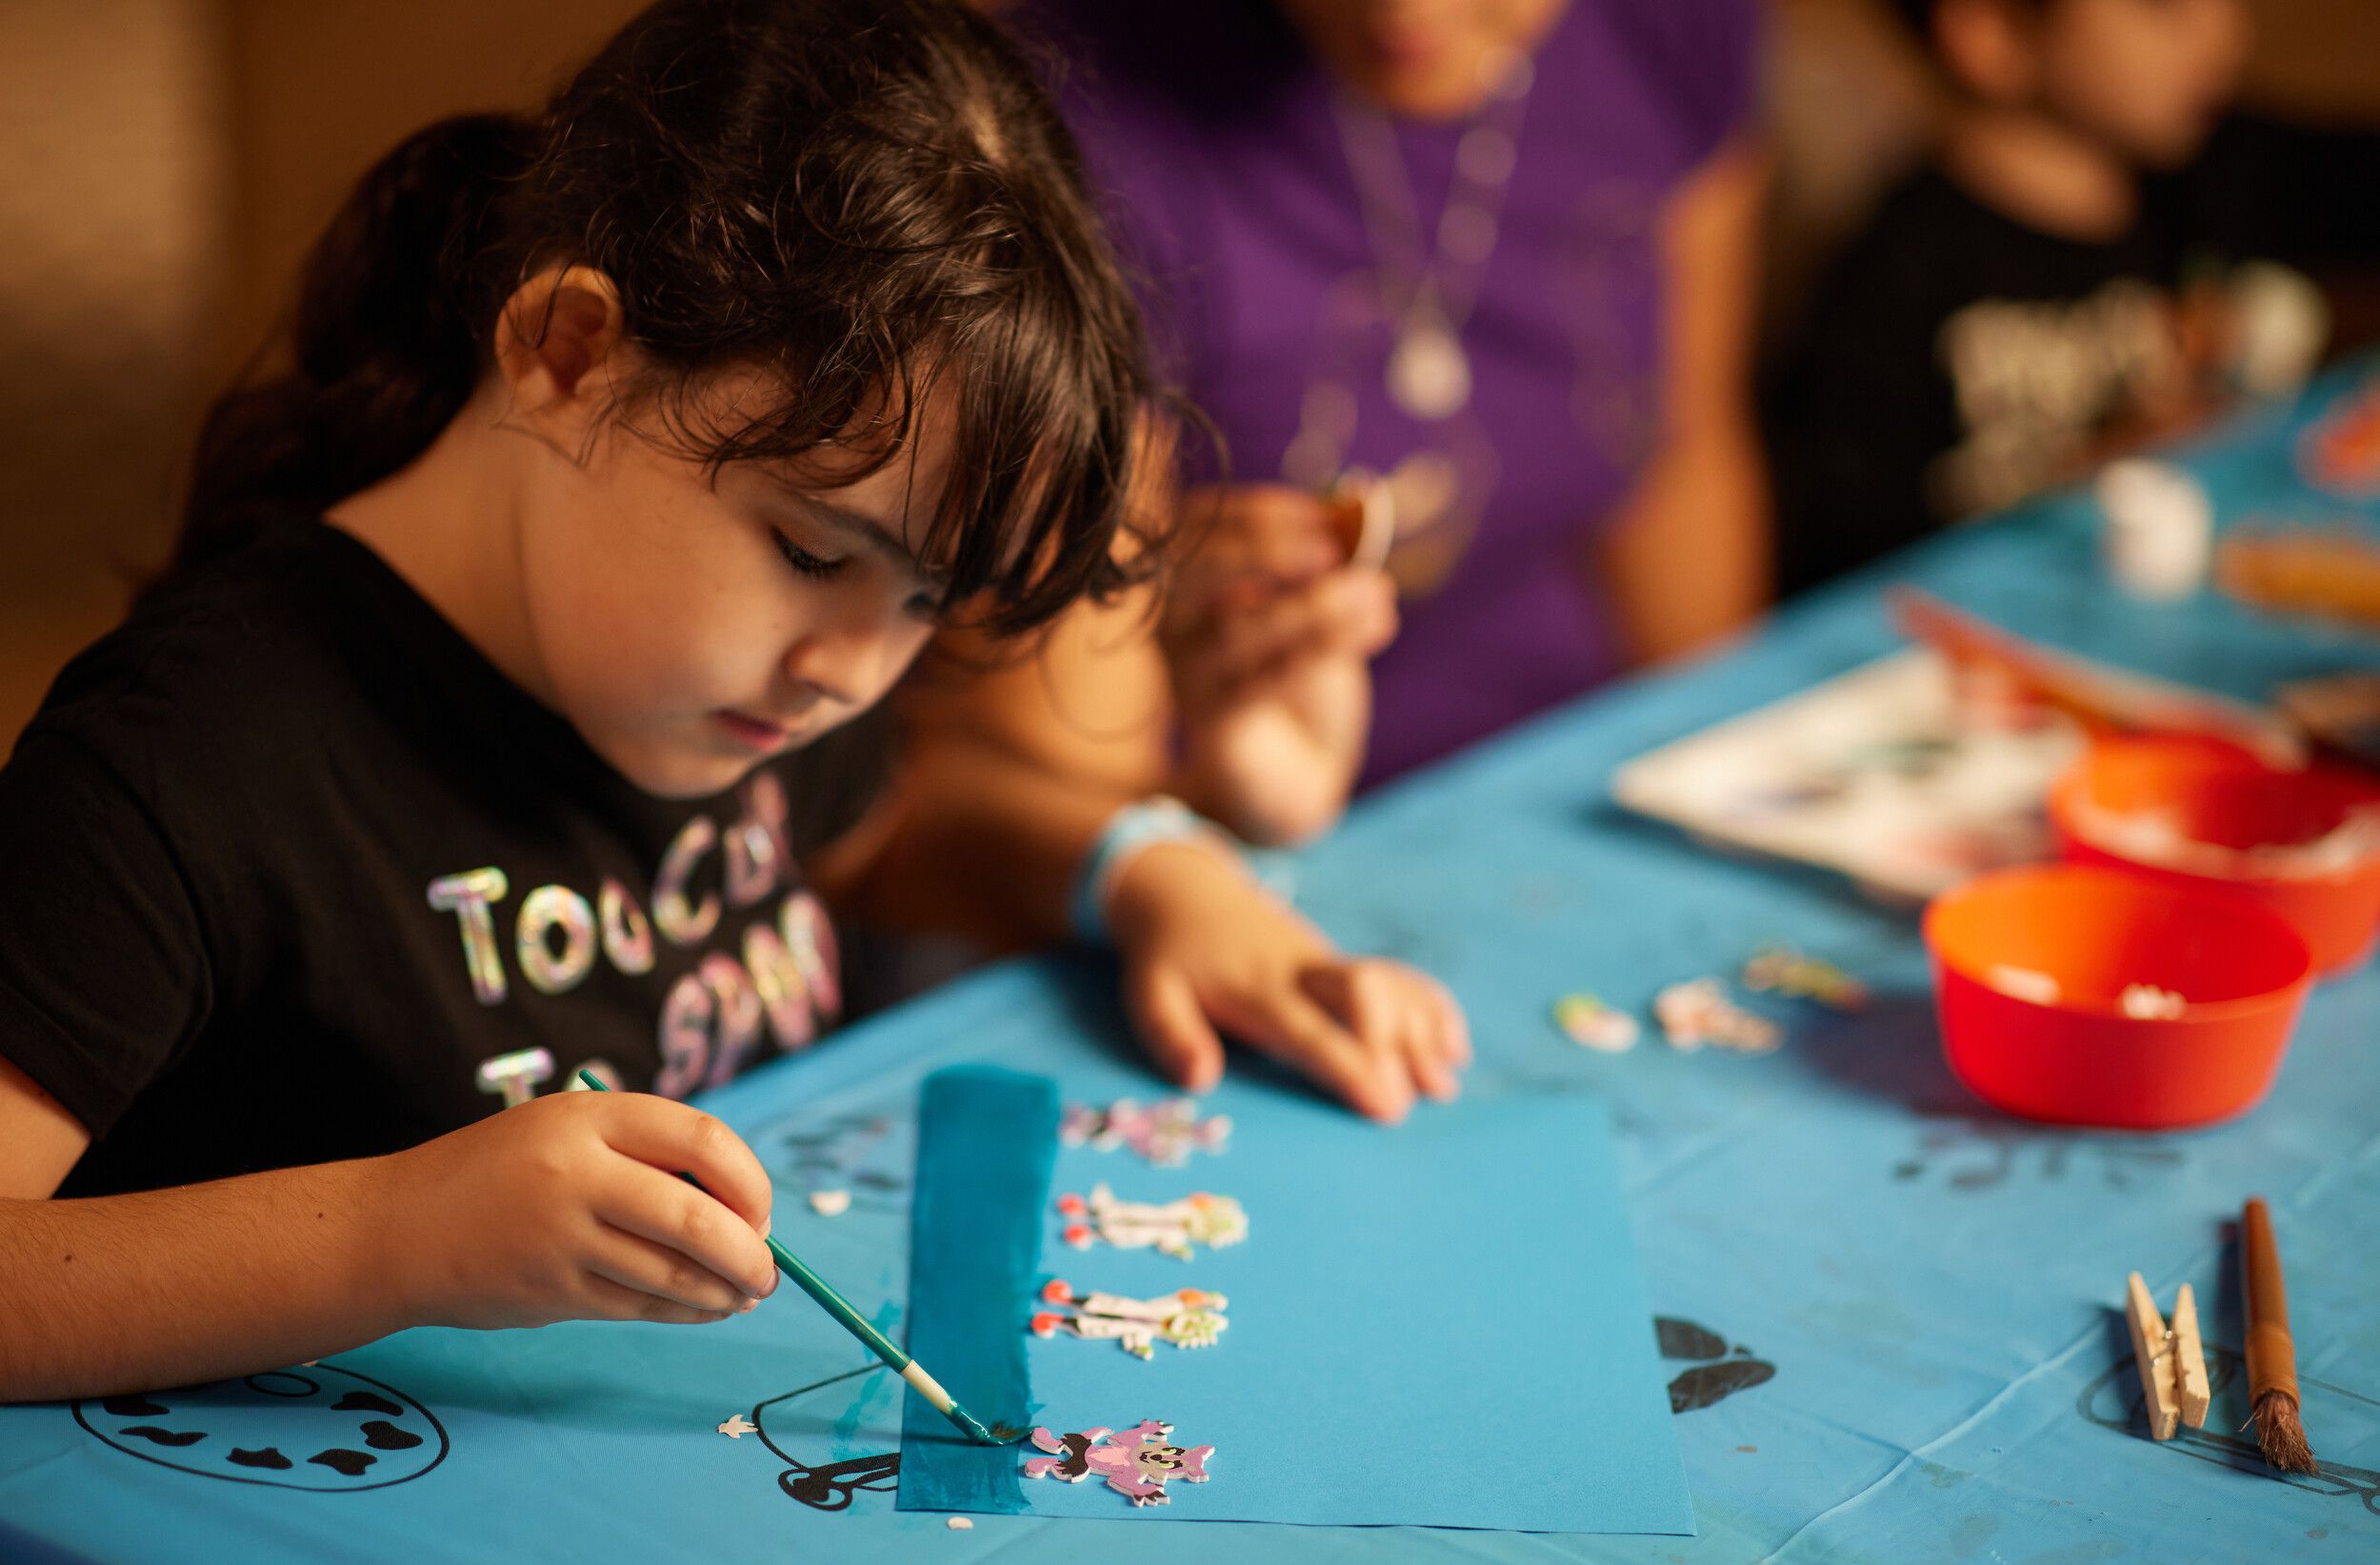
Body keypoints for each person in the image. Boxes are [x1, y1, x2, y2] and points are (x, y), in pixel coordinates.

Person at [0, 0, 1466, 1403]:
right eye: (811, 550)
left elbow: (877, 833)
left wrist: (1136, 868)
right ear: (568, 352)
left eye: (921, 606)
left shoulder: (715, 675)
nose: (851, 670)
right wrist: (399, 1235)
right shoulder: (183, 761)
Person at [965, 0, 1771, 844]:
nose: (1404, 15)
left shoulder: (1672, 25)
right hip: (1214, 802)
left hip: (1575, 762)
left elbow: (1682, 446)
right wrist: (1209, 803)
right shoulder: (1063, 121)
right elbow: (1062, 801)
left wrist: (1712, 773)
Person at [1766, 0, 2380, 597]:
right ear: (1994, 34)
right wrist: (2081, 479)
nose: (2228, 34)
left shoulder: (2213, 172)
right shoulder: (1891, 283)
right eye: (2163, 6)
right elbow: (1843, 560)